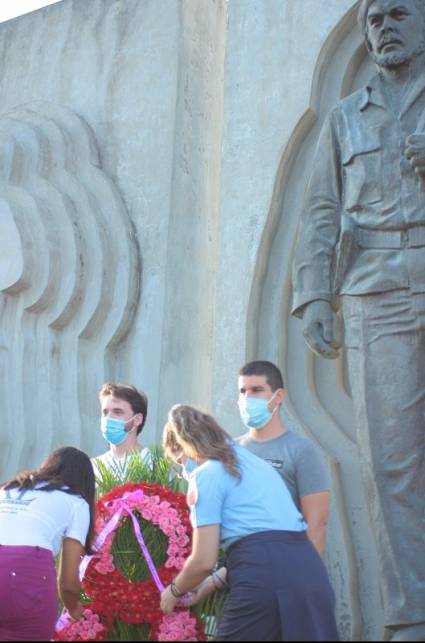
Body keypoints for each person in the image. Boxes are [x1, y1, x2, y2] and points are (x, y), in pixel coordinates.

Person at [291, 1, 425, 639]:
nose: (384, 26)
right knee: (391, 460)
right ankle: (411, 616)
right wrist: (315, 294)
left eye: (399, 13)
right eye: (374, 18)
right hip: (375, 295)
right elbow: (320, 210)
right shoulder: (347, 117)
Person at [160, 404, 339, 642]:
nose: (184, 469)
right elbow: (270, 541)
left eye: (181, 461)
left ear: (187, 447)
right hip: (309, 573)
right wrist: (210, 584)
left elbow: (203, 561)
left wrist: (173, 591)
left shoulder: (207, 475)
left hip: (261, 582)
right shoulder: (253, 463)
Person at [0, 446, 95, 641]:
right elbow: (68, 583)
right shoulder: (77, 502)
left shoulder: (8, 487)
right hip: (25, 578)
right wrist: (75, 607)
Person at [236, 360, 330, 556]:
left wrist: (304, 577)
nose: (247, 398)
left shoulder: (302, 450)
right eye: (243, 391)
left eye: (257, 390)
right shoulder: (230, 450)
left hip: (285, 566)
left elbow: (317, 522)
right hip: (240, 570)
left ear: (278, 396)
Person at [92, 382, 150, 481]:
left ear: (137, 419)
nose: (108, 417)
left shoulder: (151, 463)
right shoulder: (94, 466)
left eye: (117, 412)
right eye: (105, 412)